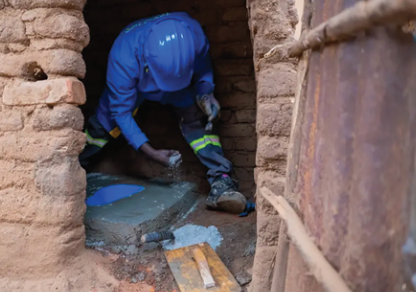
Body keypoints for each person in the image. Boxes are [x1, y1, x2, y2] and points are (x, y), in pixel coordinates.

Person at [79, 12, 247, 214]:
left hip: (181, 87)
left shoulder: (195, 38)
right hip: (135, 87)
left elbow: (204, 71)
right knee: (102, 126)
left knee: (198, 122)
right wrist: (151, 152)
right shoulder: (123, 58)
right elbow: (121, 113)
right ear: (147, 62)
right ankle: (76, 168)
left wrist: (205, 94)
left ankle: (222, 182)